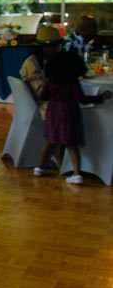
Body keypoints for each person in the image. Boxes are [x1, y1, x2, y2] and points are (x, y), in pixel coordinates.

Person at [33, 47, 111, 185]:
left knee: (49, 142)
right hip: (69, 113)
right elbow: (81, 99)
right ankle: (77, 174)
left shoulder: (51, 82)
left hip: (53, 113)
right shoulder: (73, 83)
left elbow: (44, 96)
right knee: (71, 145)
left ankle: (39, 168)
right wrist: (101, 97)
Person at [20, 23, 63, 117]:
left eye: (56, 46)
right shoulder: (32, 63)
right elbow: (41, 93)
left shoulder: (47, 60)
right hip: (42, 105)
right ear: (42, 47)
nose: (55, 50)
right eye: (52, 47)